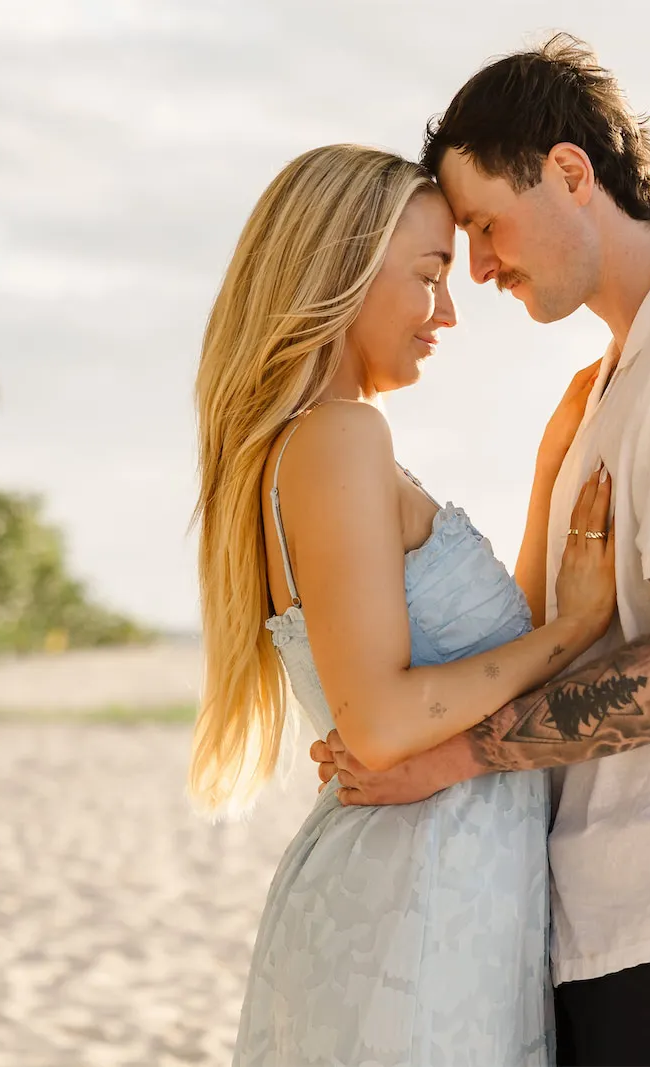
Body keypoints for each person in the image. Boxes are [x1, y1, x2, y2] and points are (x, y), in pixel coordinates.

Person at [315, 34, 650, 1067]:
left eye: (484, 222)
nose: (477, 266)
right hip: (612, 926)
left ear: (570, 172)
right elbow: (570, 633)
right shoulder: (622, 376)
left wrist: (448, 758)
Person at [191, 143, 619, 1066]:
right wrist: (572, 633)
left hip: (423, 889)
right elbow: (382, 721)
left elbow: (458, 656)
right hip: (417, 899)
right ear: (342, 270)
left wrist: (549, 473)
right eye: (429, 276)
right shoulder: (340, 436)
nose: (450, 312)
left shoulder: (310, 448)